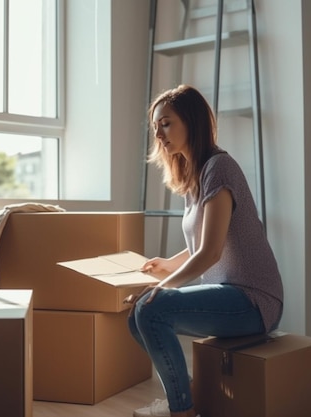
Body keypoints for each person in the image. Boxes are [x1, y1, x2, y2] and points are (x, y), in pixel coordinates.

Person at [125, 85, 283, 417]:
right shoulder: (193, 174)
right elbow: (200, 243)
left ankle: (181, 410)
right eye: (156, 127)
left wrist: (162, 287)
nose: (159, 134)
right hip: (229, 294)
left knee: (151, 308)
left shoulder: (219, 168)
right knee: (136, 317)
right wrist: (167, 265)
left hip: (254, 299)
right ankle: (190, 392)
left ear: (192, 122)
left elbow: (210, 252)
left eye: (166, 123)